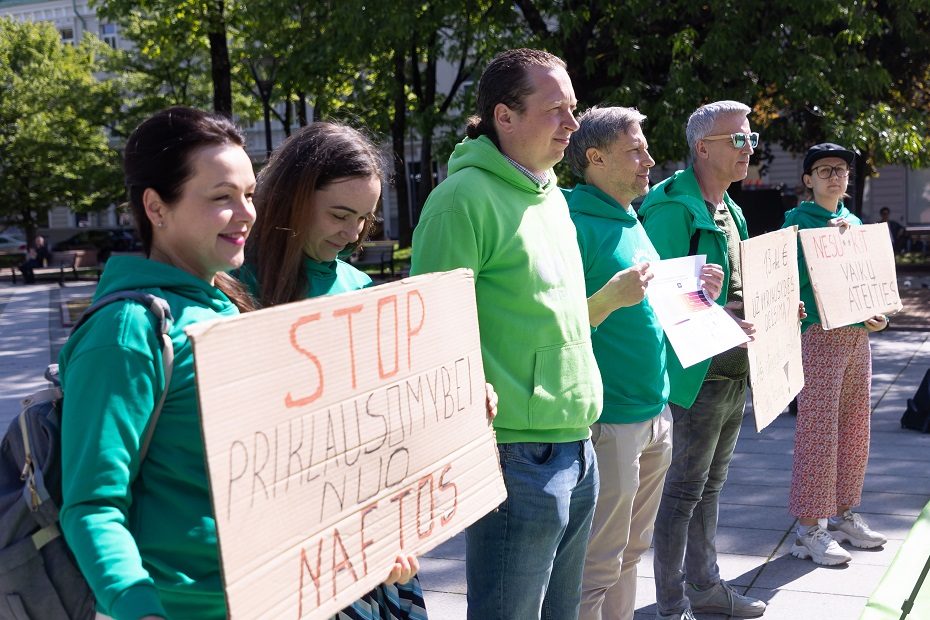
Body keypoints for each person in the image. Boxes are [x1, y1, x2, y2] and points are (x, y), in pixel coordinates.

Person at [410, 48, 602, 620]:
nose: (572, 124)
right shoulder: (459, 202)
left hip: (578, 441)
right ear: (505, 116)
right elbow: (433, 337)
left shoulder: (551, 195)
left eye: (574, 109)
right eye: (555, 110)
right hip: (514, 454)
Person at [59, 106, 259, 619]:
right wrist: (138, 607)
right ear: (156, 207)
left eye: (249, 195)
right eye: (222, 198)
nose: (246, 213)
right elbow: (92, 506)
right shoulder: (126, 332)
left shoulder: (233, 303)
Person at [238, 121, 428, 619]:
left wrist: (465, 406)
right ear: (292, 200)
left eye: (365, 219)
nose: (352, 234)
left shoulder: (361, 288)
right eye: (340, 215)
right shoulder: (233, 289)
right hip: (280, 559)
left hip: (368, 546)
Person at [563, 106, 724, 620]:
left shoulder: (630, 217)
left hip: (654, 414)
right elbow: (559, 323)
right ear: (595, 157)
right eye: (635, 150)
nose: (649, 160)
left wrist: (703, 302)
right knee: (596, 565)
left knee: (630, 555)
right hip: (609, 421)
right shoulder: (569, 223)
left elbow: (651, 304)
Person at [639, 101, 766, 620]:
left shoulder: (729, 210)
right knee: (683, 492)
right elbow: (661, 296)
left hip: (733, 369)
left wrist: (773, 306)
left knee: (710, 487)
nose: (749, 148)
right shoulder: (672, 208)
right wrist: (725, 316)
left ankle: (706, 588)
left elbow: (731, 290)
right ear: (702, 147)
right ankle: (672, 607)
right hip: (695, 373)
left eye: (751, 137)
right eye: (738, 139)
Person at [783, 142, 888, 566]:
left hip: (855, 338)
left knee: (855, 429)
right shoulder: (796, 224)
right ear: (808, 179)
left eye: (841, 170)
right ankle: (809, 527)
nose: (834, 176)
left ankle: (844, 513)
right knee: (818, 432)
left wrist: (875, 316)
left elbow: (866, 284)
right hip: (817, 337)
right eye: (824, 169)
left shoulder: (855, 222)